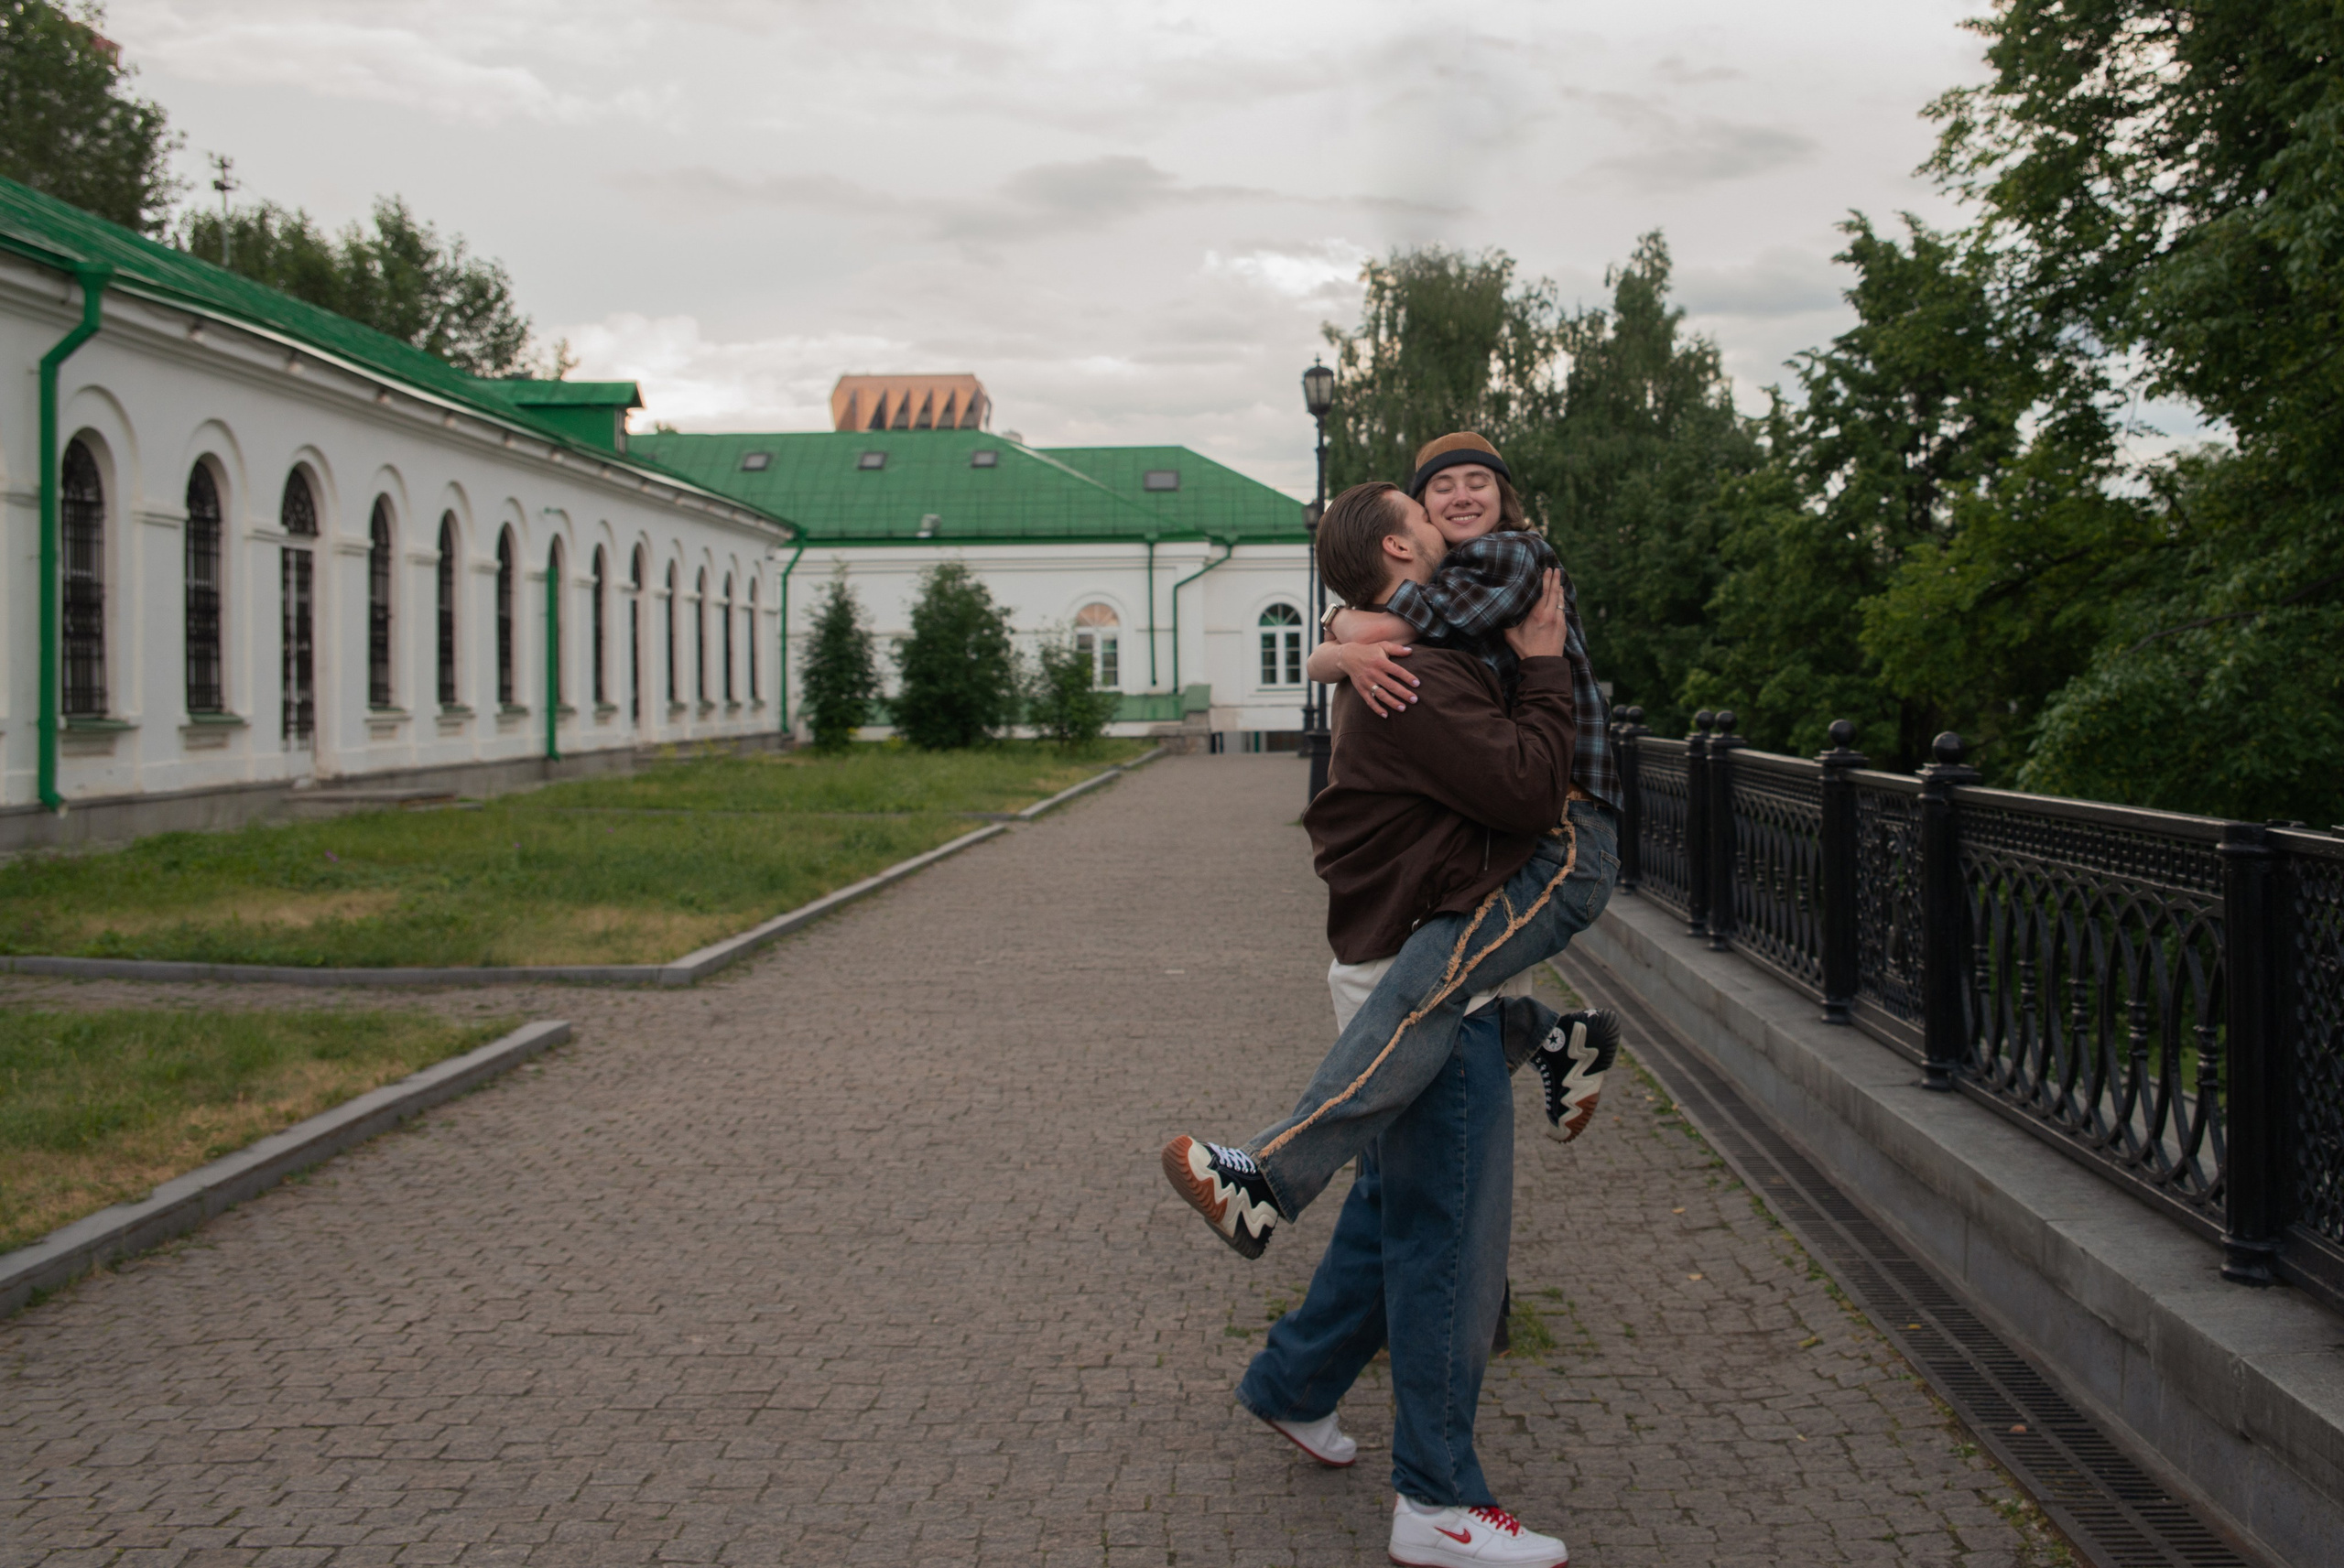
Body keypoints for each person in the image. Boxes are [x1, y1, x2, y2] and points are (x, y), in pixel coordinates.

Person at [1169, 480, 1600, 1567]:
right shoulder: (1422, 673)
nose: (1457, 518)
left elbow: (1367, 619)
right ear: (1406, 549)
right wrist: (1545, 665)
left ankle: (1293, 1383)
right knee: (1447, 1245)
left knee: (1389, 1218)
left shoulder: (1397, 647)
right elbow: (1530, 788)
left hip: (1408, 960)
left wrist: (1340, 633)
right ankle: (1438, 1501)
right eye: (1427, 507)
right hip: (1428, 982)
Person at [1163, 434, 1622, 1260]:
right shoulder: (1444, 583)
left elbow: (1417, 615)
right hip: (1539, 830)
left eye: (1478, 480)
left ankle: (1269, 1179)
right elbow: (1400, 613)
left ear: (1506, 497)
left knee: (1416, 995)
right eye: (1436, 488)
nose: (1458, 496)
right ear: (1410, 532)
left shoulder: (1519, 556)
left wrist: (1342, 633)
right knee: (1433, 997)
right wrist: (1337, 643)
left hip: (1570, 835)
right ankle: (1554, 1039)